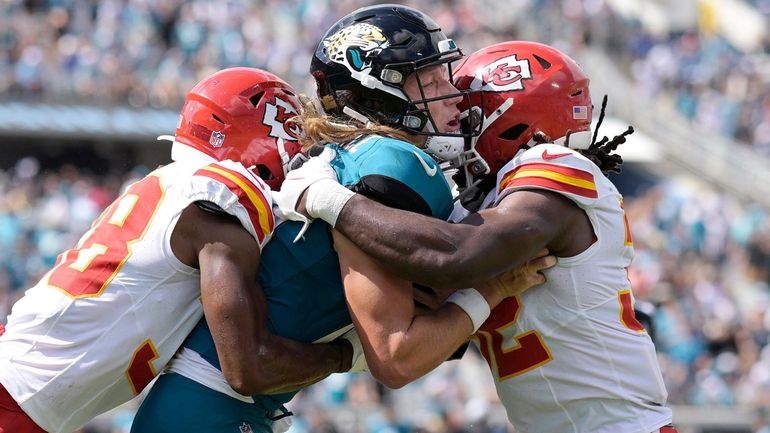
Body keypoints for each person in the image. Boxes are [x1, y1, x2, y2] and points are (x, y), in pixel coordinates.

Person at [129, 6, 554, 433]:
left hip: (207, 405)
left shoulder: (365, 156)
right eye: (431, 80)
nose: (454, 94)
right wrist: (493, 287)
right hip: (214, 408)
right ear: (378, 88)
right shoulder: (394, 161)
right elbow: (398, 354)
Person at [278, 41, 678, 433]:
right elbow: (416, 334)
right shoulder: (489, 201)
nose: (455, 118)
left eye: (468, 112)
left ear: (507, 115)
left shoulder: (556, 167)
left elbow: (458, 254)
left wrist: (329, 199)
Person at [0, 67, 359, 433]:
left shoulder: (170, 183)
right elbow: (246, 367)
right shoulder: (218, 199)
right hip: (16, 399)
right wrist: (345, 355)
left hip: (20, 388)